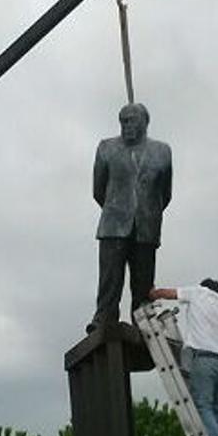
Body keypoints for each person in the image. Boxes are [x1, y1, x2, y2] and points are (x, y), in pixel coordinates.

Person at [87, 103, 173, 333]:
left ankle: (143, 323)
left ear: (145, 122)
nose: (127, 125)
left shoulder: (162, 151)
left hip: (147, 226)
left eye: (132, 120)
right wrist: (117, 209)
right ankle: (103, 318)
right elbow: (98, 190)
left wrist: (147, 211)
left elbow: (165, 193)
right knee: (110, 279)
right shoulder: (106, 148)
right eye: (123, 121)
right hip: (113, 225)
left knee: (143, 283)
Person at [150, 279, 218, 436]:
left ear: (204, 287)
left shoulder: (199, 293)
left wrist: (153, 293)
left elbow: (170, 293)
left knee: (203, 405)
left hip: (204, 359)